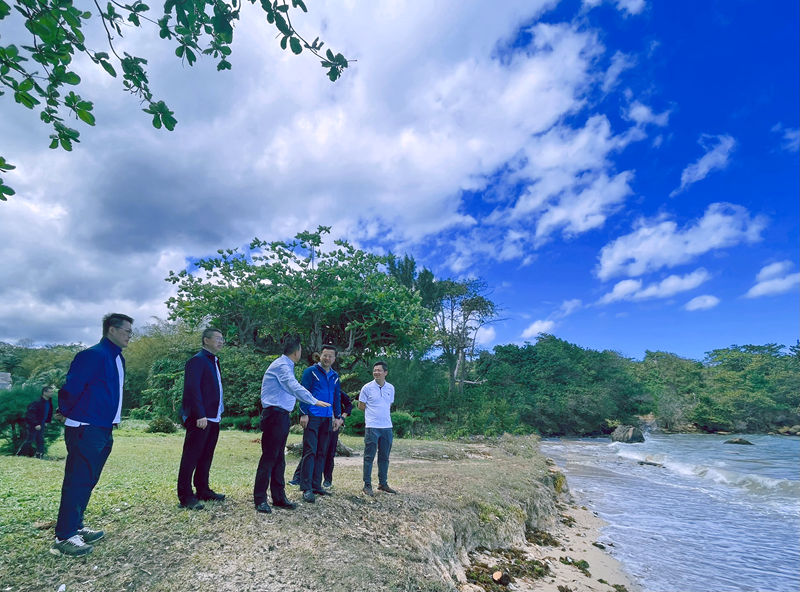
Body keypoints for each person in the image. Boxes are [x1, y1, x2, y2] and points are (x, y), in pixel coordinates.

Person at [51, 313, 133, 557]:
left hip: (103, 427)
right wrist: (64, 411)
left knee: (88, 479)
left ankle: (76, 526)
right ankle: (64, 536)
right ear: (112, 330)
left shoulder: (118, 358)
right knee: (77, 480)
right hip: (85, 426)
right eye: (127, 331)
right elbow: (72, 387)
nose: (130, 335)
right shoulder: (92, 355)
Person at [253, 339, 330, 514]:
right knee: (269, 457)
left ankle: (279, 497)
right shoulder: (282, 366)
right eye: (300, 351)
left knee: (279, 458)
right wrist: (313, 400)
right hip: (274, 415)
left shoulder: (286, 365)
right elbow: (293, 386)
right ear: (296, 352)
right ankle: (260, 499)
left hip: (281, 416)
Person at [177, 328, 226, 510]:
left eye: (222, 339)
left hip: (214, 416)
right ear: (206, 340)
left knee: (206, 455)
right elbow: (192, 389)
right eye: (218, 338)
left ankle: (203, 490)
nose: (221, 342)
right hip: (201, 417)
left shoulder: (214, 361)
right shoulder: (197, 360)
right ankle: (185, 496)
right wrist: (200, 414)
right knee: (191, 456)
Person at [296, 345, 343, 502]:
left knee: (322, 452)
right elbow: (303, 393)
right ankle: (306, 487)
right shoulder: (311, 372)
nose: (327, 358)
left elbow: (336, 397)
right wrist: (303, 413)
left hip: (327, 418)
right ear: (320, 356)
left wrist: (337, 417)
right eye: (325, 355)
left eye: (330, 356)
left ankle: (316, 485)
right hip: (312, 416)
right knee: (310, 451)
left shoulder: (335, 376)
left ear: (334, 358)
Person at [358, 361, 397, 496]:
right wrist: (372, 415)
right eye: (375, 370)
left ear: (385, 373)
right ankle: (367, 485)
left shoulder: (391, 388)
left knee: (384, 457)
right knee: (369, 457)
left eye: (379, 370)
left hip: (387, 427)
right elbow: (361, 406)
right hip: (372, 427)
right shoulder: (367, 388)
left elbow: (388, 404)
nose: (376, 372)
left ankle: (383, 483)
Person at [322, 390, 352, 488]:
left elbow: (349, 405)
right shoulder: (319, 388)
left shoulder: (338, 391)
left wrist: (342, 418)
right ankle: (299, 478)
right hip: (319, 422)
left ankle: (327, 480)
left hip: (333, 424)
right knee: (312, 451)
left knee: (330, 453)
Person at [18, 386, 55, 458]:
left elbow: (48, 413)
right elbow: (30, 414)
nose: (52, 393)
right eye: (50, 392)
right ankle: (20, 454)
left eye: (52, 392)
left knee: (40, 440)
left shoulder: (49, 402)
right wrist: (36, 424)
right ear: (44, 392)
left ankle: (39, 455)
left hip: (42, 424)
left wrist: (46, 422)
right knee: (30, 439)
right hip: (34, 424)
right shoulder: (37, 402)